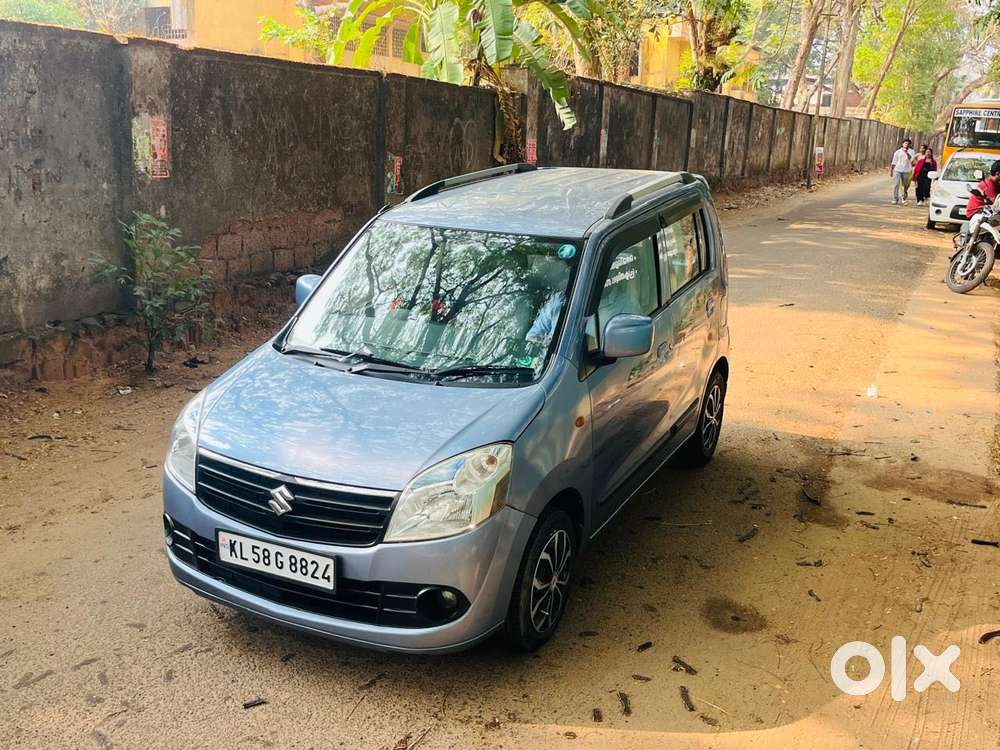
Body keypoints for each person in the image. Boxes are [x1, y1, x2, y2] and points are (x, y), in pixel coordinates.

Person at [890, 138, 915, 205]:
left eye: (908, 144)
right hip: (898, 170)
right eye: (905, 143)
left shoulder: (911, 151)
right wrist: (891, 170)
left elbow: (910, 159)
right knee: (896, 184)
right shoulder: (897, 152)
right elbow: (894, 161)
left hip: (906, 170)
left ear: (910, 145)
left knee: (905, 185)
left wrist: (906, 152)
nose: (906, 145)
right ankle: (895, 198)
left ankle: (904, 198)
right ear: (902, 144)